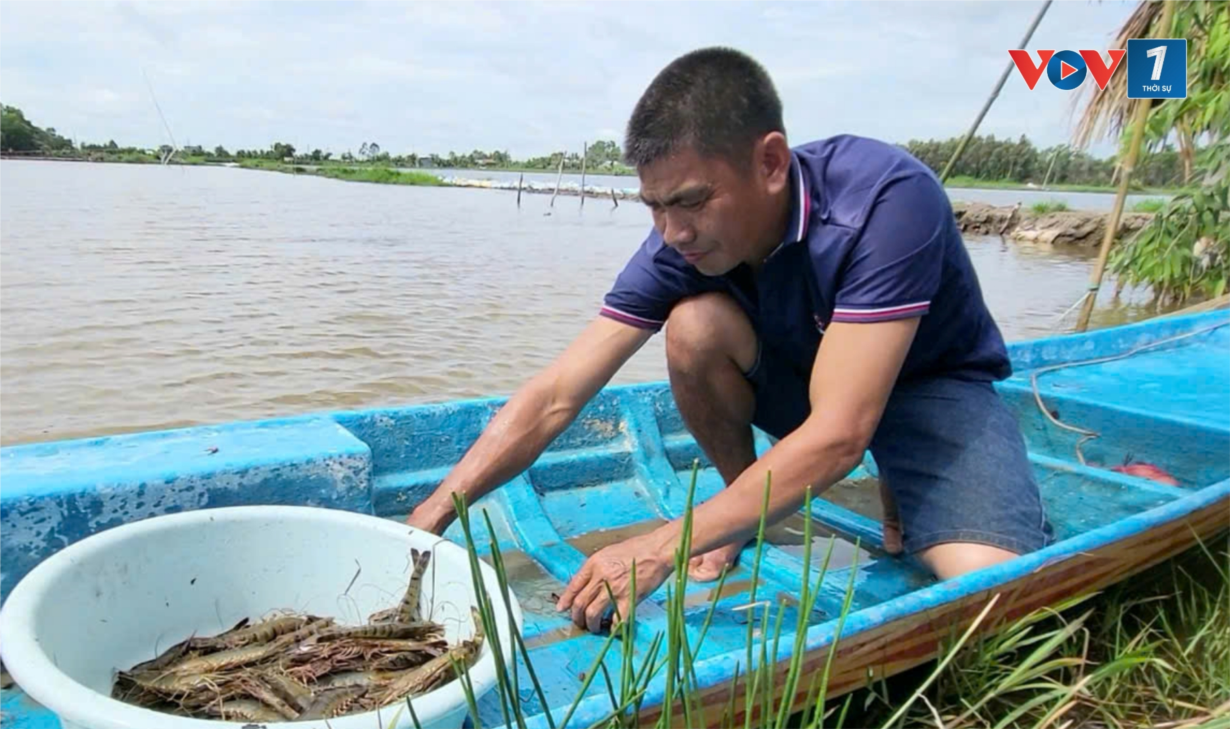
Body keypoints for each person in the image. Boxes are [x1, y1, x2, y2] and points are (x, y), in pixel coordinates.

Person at [407, 46, 1053, 633]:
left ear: (770, 163)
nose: (672, 232)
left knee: (990, 589)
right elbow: (556, 393)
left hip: (926, 389)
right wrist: (432, 515)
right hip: (813, 377)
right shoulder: (680, 242)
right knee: (694, 328)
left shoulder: (887, 200)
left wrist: (663, 544)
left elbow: (838, 433)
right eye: (654, 207)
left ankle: (867, 482)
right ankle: (751, 507)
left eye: (689, 201)